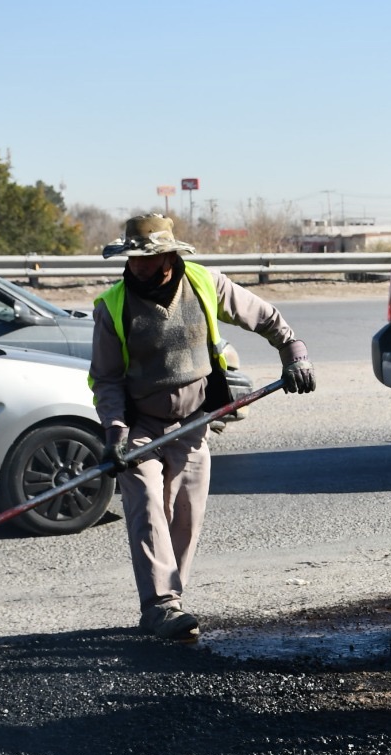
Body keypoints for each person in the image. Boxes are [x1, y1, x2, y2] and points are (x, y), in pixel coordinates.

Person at [90, 213, 316, 642]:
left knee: (186, 516)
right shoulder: (112, 306)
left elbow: (265, 317)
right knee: (147, 509)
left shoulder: (204, 283)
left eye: (148, 258)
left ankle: (173, 598)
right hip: (140, 425)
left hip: (194, 421)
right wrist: (115, 430)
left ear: (169, 257)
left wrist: (294, 351)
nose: (138, 265)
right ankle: (160, 607)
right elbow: (105, 378)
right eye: (133, 258)